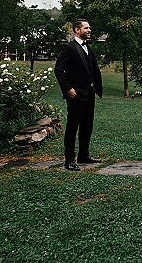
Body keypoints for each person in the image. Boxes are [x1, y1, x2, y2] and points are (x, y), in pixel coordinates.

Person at [54, 18, 103, 171]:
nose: (89, 31)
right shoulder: (69, 48)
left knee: (87, 126)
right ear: (77, 30)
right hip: (76, 95)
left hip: (89, 93)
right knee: (72, 127)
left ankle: (83, 155)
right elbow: (59, 70)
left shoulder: (88, 47)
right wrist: (68, 88)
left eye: (89, 28)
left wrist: (95, 86)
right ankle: (69, 160)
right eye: (86, 28)